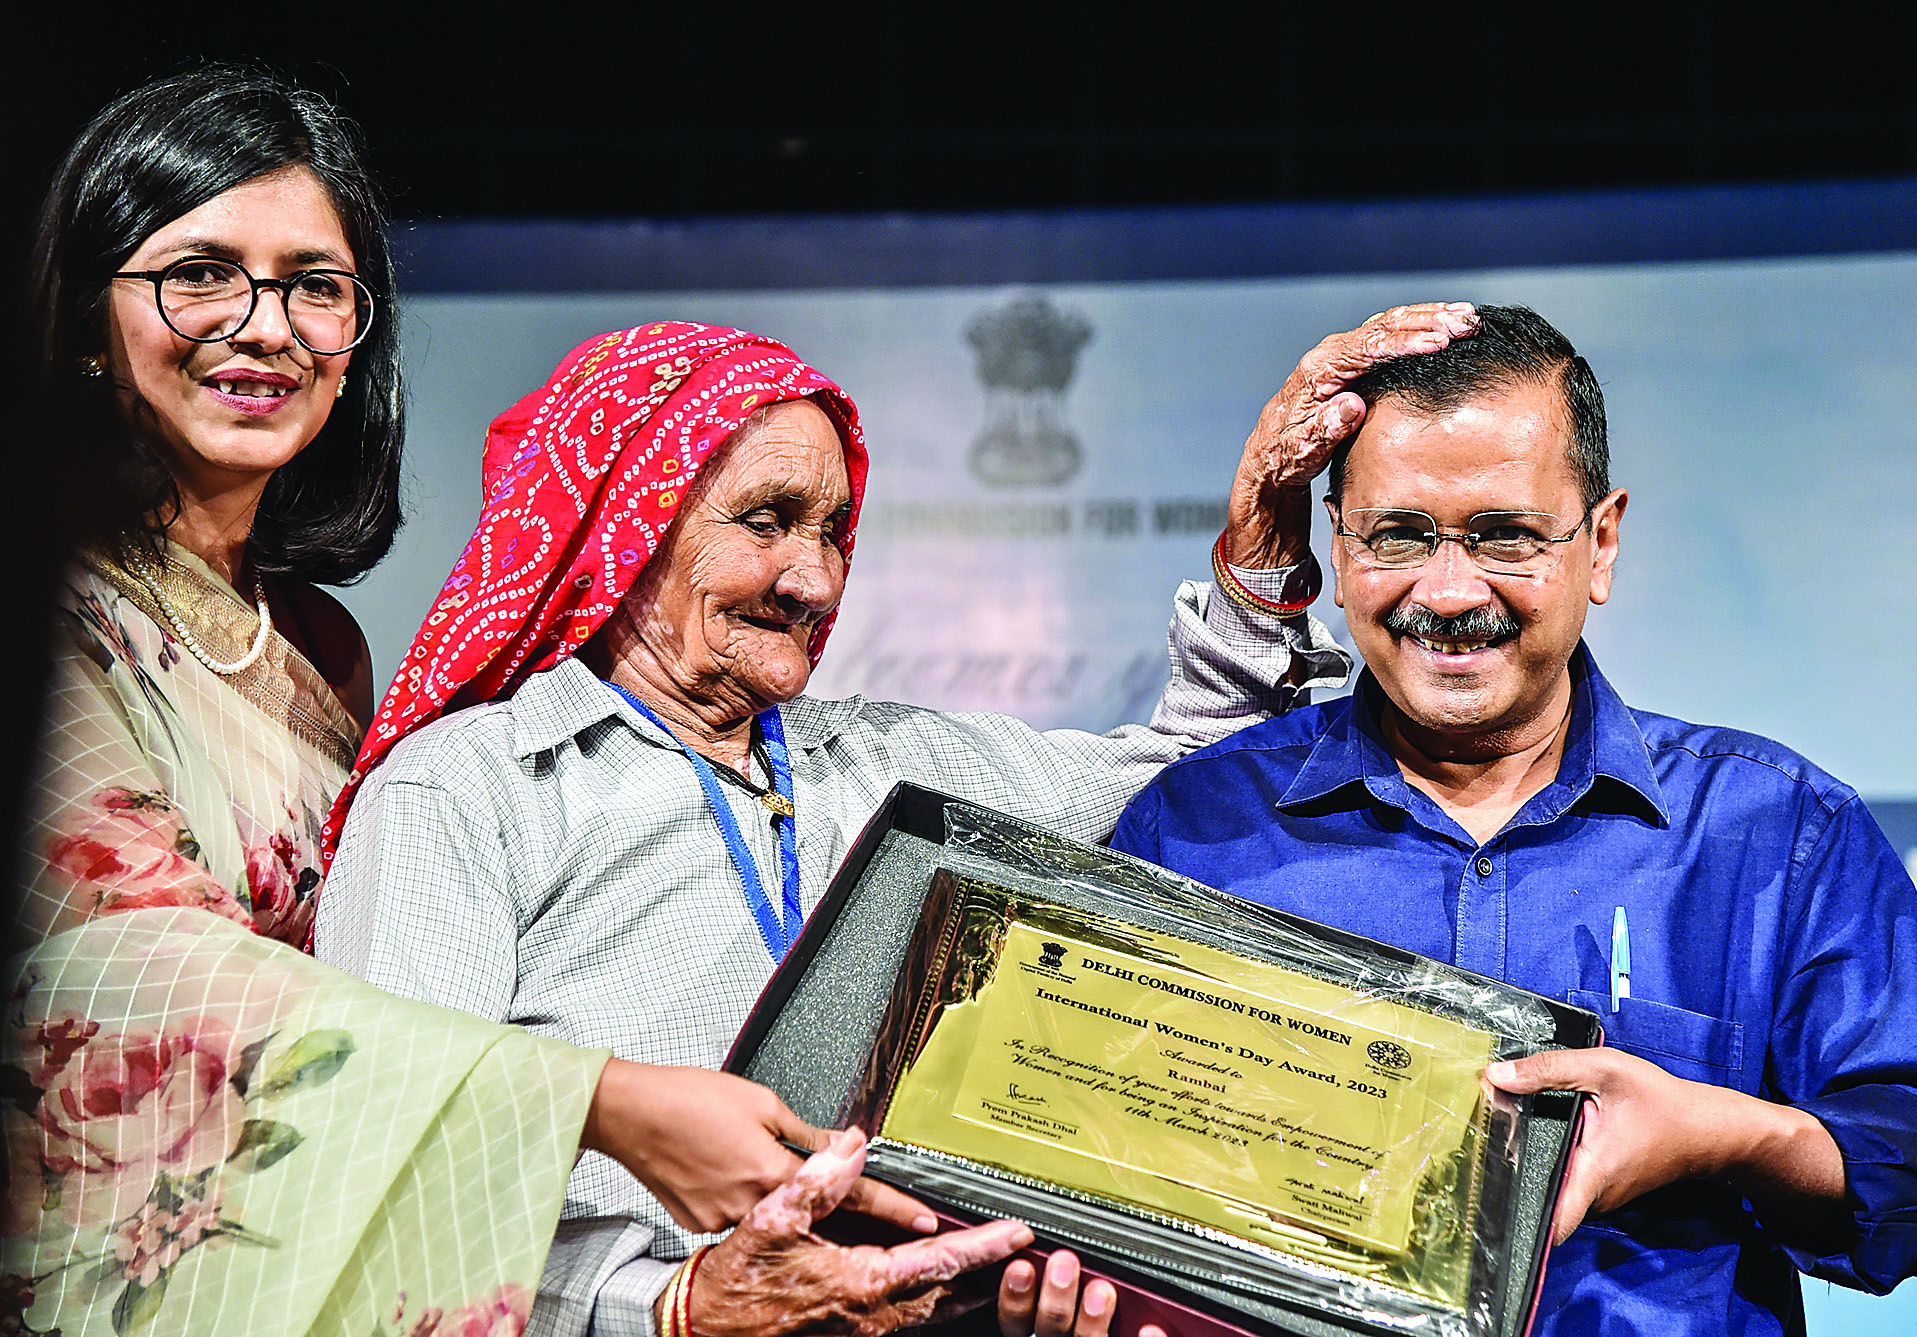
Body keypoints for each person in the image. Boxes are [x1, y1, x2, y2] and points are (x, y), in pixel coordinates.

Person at [4, 67, 1075, 1337]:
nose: (265, 323)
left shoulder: (317, 642)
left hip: (288, 1240)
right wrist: (602, 1102)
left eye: (315, 284)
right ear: (85, 311)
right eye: (199, 272)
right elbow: (150, 972)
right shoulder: (52, 614)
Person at [315, 305, 1481, 1331]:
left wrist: (1264, 541)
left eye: (830, 531)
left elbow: (1189, 774)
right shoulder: (467, 792)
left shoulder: (893, 764)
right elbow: (383, 1184)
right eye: (764, 519)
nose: (814, 579)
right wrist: (665, 1312)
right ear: (630, 519)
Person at [1107, 304, 1917, 1335]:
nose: (1447, 592)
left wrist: (1725, 1132)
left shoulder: (1772, 832)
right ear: (1338, 542)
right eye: (1398, 533)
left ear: (1601, 540)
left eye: (1504, 534)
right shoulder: (1195, 826)